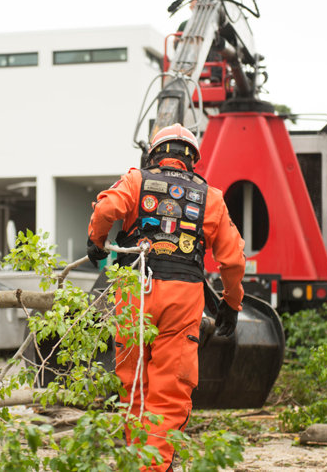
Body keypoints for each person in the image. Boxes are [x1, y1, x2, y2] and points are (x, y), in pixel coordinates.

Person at [86, 123, 245, 471]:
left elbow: (105, 209)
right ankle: (154, 466)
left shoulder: (135, 181)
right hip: (182, 297)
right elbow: (232, 260)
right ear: (192, 160)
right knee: (170, 391)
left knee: (132, 384)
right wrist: (231, 304)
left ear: (154, 154)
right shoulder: (211, 198)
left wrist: (96, 242)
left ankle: (138, 462)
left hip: (134, 291)